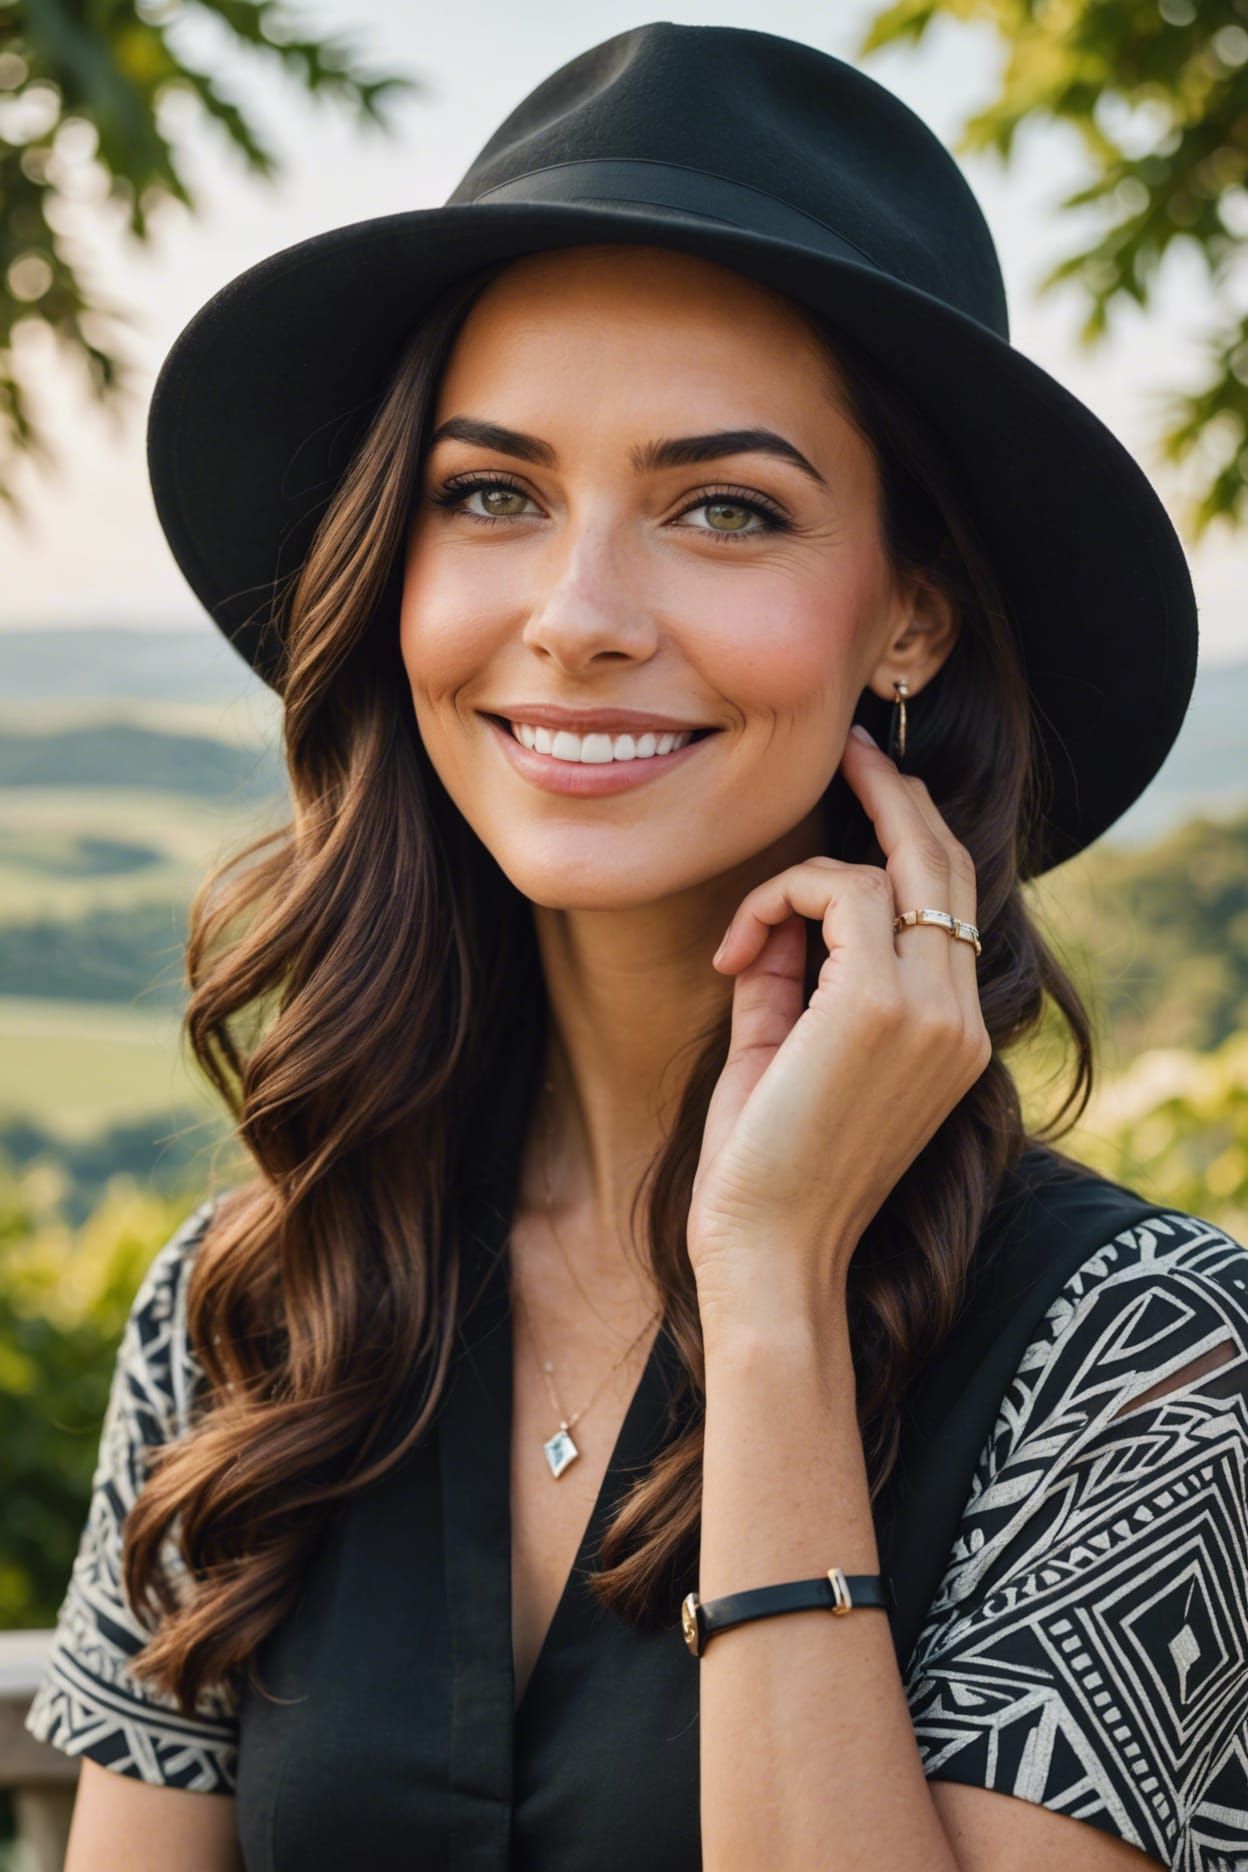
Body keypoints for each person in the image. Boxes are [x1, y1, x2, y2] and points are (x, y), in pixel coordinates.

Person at [24, 21, 1248, 1872]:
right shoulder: (257, 1310)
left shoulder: (1150, 1364)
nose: (579, 615)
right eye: (491, 492)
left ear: (910, 618)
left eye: (725, 509)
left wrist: (768, 1298)